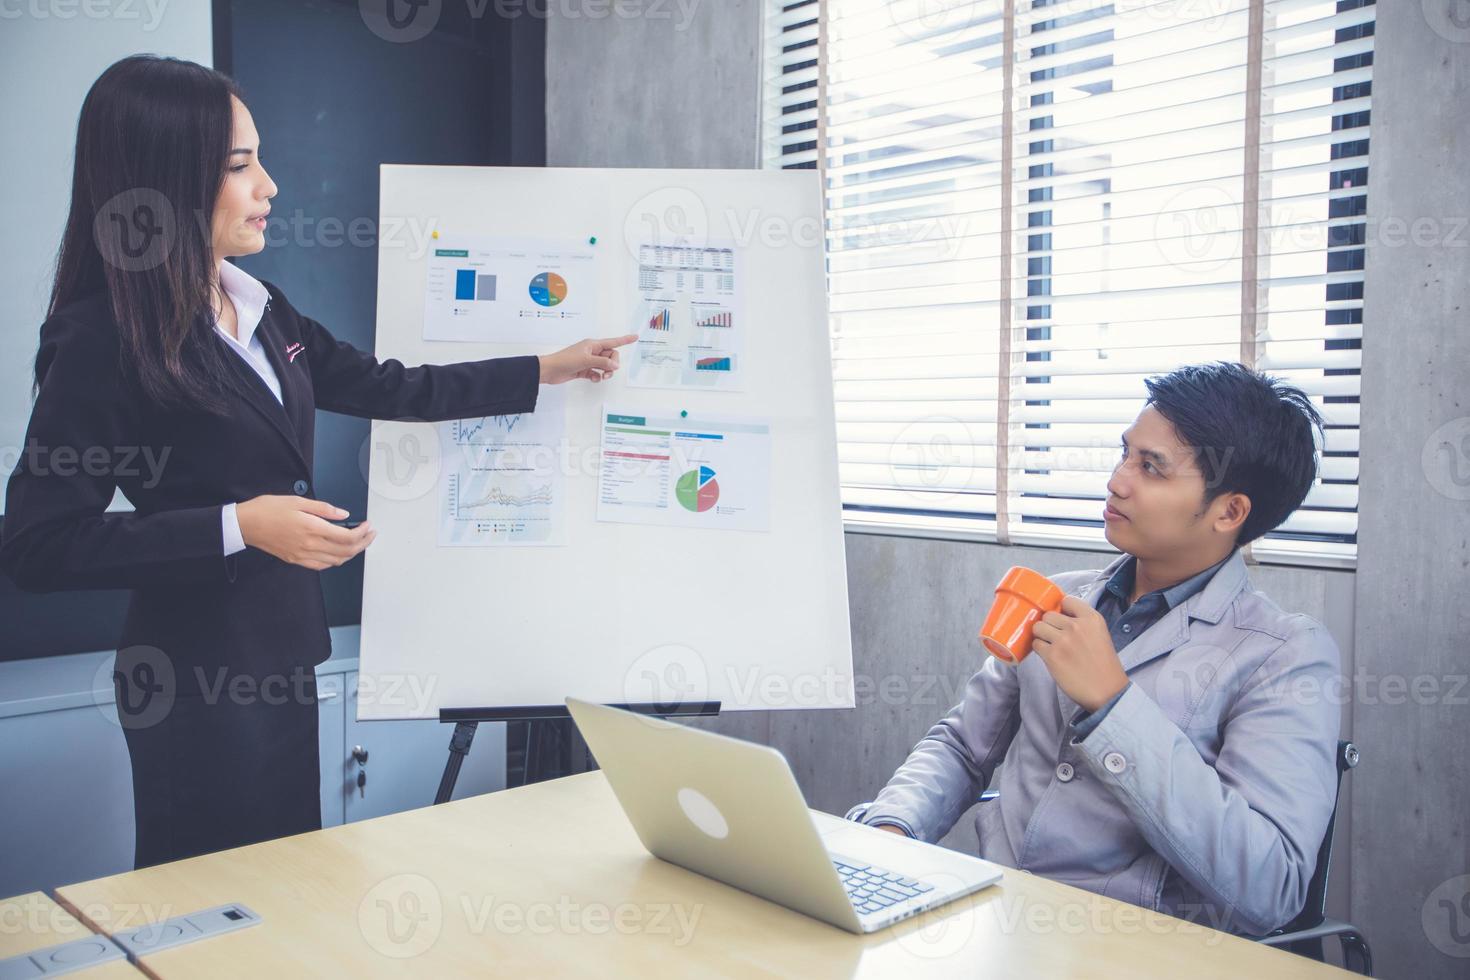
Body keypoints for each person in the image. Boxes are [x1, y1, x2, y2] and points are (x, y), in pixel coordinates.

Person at [0, 54, 634, 868]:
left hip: (287, 660)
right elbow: (38, 544)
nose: (269, 185)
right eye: (240, 165)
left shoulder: (261, 308)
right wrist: (238, 526)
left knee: (284, 896)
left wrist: (546, 368)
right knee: (213, 911)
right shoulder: (100, 338)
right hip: (193, 686)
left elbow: (391, 385)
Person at [846, 362, 1342, 937]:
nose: (1117, 481)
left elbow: (1271, 886)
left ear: (1229, 512)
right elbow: (962, 747)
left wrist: (1114, 705)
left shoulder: (1285, 654)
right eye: (1126, 454)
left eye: (1152, 468)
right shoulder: (1059, 598)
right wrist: (892, 830)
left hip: (1134, 949)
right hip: (991, 924)